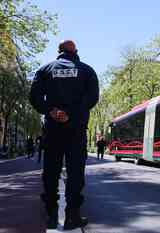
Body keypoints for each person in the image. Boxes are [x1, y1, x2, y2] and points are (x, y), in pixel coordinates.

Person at [29, 40, 99, 230]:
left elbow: (34, 97)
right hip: (76, 130)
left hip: (52, 130)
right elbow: (92, 98)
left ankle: (51, 215)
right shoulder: (87, 70)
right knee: (75, 173)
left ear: (58, 52)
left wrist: (51, 111)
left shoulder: (45, 70)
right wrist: (71, 114)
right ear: (75, 51)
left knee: (51, 172)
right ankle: (72, 217)